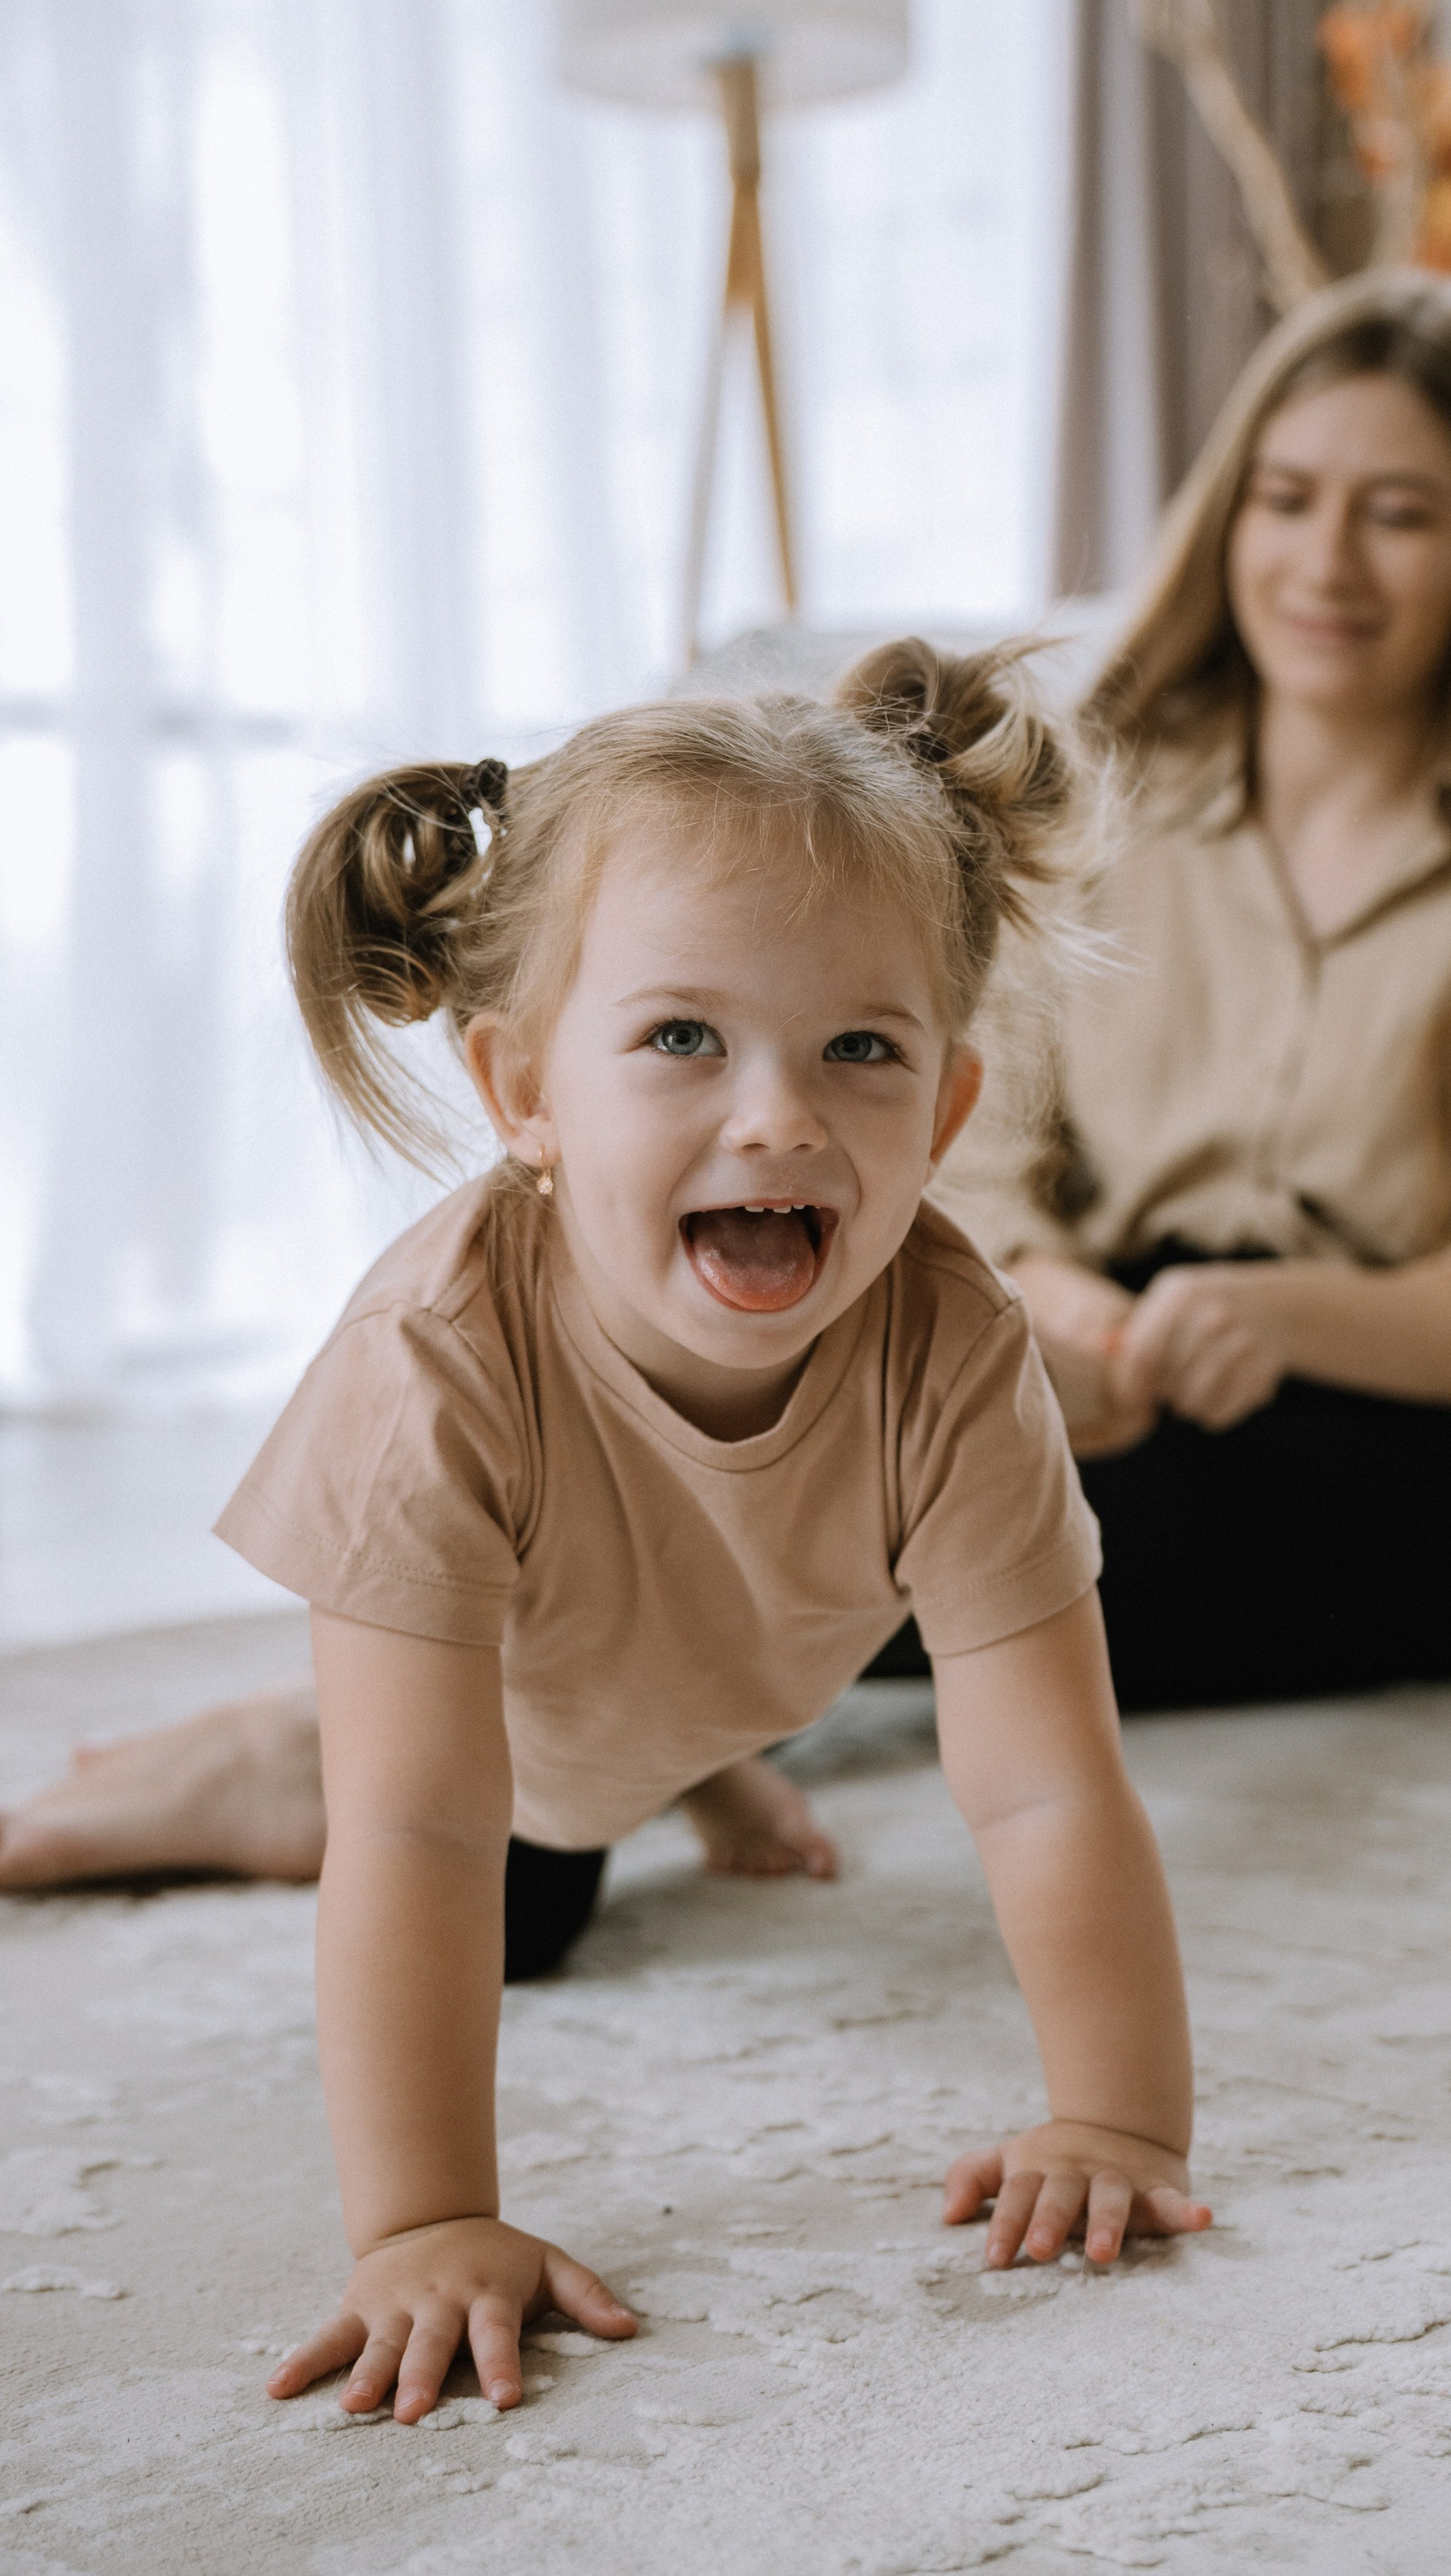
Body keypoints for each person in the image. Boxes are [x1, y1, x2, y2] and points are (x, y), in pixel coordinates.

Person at [4, 645, 1210, 2422]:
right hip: (513, 1698)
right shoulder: (430, 1364)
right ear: (523, 1095)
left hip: (726, 1651)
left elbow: (1044, 1782)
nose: (778, 1113)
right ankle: (260, 1759)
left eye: (859, 1047)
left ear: (946, 1107)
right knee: (508, 1881)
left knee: (649, 1735)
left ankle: (694, 1758)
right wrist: (425, 2222)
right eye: (679, 1039)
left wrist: (1117, 2116)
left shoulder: (955, 1346)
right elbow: (419, 1838)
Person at [928, 269, 1451, 1711]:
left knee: (975, 1553)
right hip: (1098, 1361)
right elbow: (971, 1150)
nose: (1325, 564)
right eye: (1286, 500)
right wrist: (1058, 1301)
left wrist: (1279, 1318)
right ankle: (497, 1764)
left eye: (1398, 515)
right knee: (812, 1478)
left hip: (1417, 1433)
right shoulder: (1100, 810)